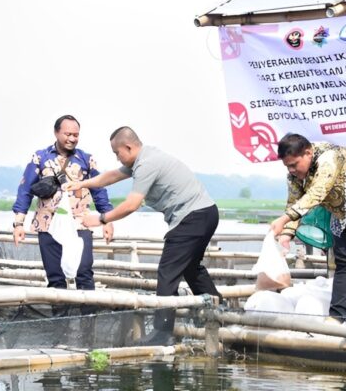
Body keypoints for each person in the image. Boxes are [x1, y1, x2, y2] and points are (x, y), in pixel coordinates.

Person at [66, 126, 222, 345]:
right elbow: (111, 176)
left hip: (193, 217)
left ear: (128, 147)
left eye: (117, 152)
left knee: (167, 272)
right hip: (205, 213)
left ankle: (162, 333)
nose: (117, 158)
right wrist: (82, 184)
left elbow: (131, 204)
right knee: (189, 266)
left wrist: (101, 219)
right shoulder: (144, 158)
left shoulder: (147, 164)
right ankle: (217, 310)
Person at [270, 134, 346, 328]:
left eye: (294, 165)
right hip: (341, 211)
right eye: (288, 167)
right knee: (344, 263)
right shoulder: (293, 174)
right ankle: (336, 316)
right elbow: (294, 201)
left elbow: (318, 192)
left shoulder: (329, 157)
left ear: (308, 153)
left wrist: (285, 219)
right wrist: (287, 233)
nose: (292, 170)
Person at [12, 114, 114, 295]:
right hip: (47, 223)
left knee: (84, 273)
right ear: (56, 133)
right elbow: (25, 189)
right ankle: (60, 323)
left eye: (76, 135)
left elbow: (99, 190)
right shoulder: (40, 157)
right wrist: (19, 224)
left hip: (80, 223)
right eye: (68, 134)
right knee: (55, 277)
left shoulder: (86, 159)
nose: (72, 139)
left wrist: (107, 221)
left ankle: (87, 322)